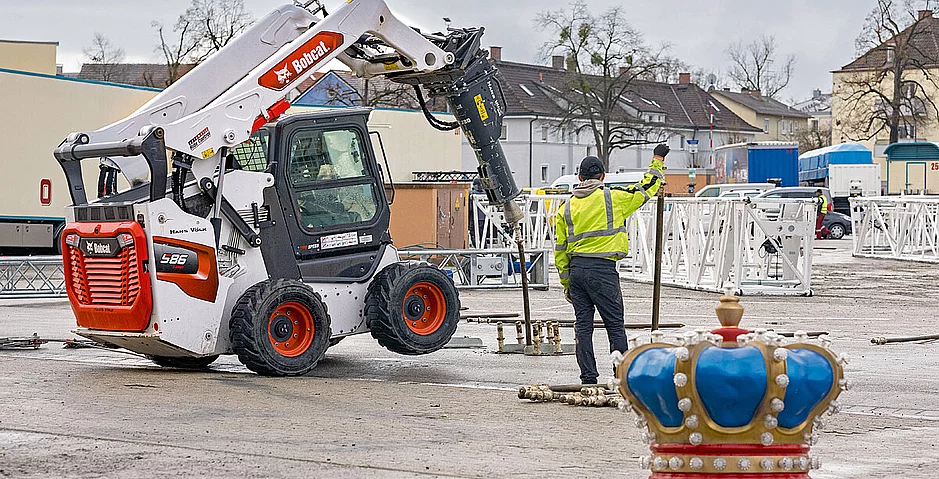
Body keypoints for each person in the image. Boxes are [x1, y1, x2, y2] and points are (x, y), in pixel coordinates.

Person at [555, 145, 668, 384]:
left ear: (579, 178)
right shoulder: (613, 198)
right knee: (615, 325)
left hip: (576, 272)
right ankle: (621, 378)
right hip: (602, 271)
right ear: (603, 176)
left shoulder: (565, 208)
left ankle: (588, 378)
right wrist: (657, 159)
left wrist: (566, 285)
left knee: (583, 327)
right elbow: (647, 187)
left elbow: (560, 252)